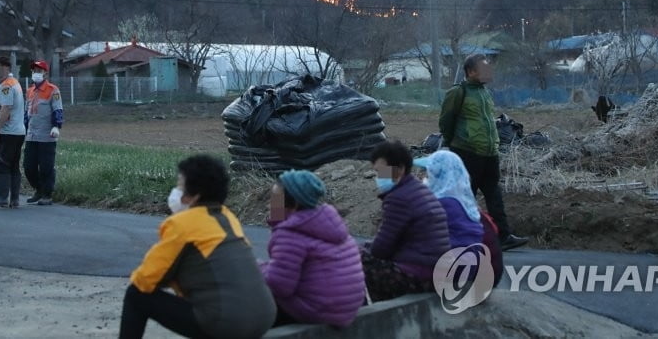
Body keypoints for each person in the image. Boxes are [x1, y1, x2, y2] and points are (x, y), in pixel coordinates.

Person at [120, 154, 276, 339]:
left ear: (194, 196)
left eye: (180, 186)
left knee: (136, 296)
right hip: (264, 317)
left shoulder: (183, 223)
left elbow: (144, 281)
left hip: (230, 325)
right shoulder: (228, 217)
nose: (176, 191)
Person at [439, 54, 529, 251]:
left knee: (494, 195)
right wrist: (455, 144)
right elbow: (446, 122)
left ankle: (503, 236)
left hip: (489, 153)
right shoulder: (458, 92)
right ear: (471, 71)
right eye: (484, 68)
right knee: (465, 197)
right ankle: (460, 240)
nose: (489, 72)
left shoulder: (484, 92)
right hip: (467, 153)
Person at [260, 170, 365, 327]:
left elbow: (279, 286)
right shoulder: (328, 223)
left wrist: (256, 269)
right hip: (345, 309)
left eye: (275, 200)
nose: (269, 204)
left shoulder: (290, 233)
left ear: (294, 204)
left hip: (318, 311)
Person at [360, 140, 449, 302]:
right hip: (436, 271)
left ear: (400, 169)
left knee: (355, 261)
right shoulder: (418, 189)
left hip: (420, 274)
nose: (379, 177)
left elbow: (380, 249)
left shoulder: (399, 198)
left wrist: (362, 250)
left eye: (383, 171)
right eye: (377, 172)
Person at [416, 150, 503, 286]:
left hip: (464, 279)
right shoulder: (466, 203)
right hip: (485, 277)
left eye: (429, 173)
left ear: (439, 175)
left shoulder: (445, 205)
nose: (425, 178)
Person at [0, 55, 25, 209]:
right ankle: (14, 199)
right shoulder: (14, 83)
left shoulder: (6, 86)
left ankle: (2, 197)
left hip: (7, 132)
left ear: (6, 68)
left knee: (2, 164)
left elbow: (6, 108)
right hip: (18, 131)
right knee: (14, 165)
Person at [23, 60, 64, 205]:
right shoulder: (30, 90)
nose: (36, 74)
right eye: (34, 71)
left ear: (45, 73)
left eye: (39, 71)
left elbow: (58, 109)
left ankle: (47, 194)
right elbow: (27, 112)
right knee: (28, 167)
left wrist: (56, 126)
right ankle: (38, 189)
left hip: (47, 135)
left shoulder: (53, 90)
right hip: (31, 135)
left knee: (46, 167)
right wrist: (24, 128)